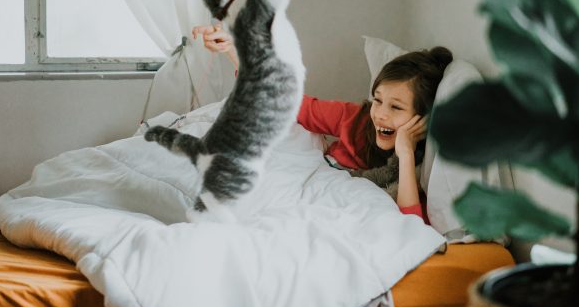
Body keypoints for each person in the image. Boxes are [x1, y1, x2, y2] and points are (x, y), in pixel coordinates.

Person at [192, 23, 453, 222]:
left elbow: (412, 224)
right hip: (310, 179)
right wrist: (232, 50)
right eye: (377, 100)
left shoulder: (420, 167)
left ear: (423, 118)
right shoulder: (355, 118)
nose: (381, 114)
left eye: (396, 107)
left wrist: (405, 154)